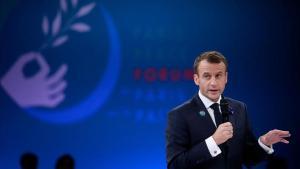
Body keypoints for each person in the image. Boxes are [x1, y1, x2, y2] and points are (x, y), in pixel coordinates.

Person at [165, 51, 290, 169]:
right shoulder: (179, 115)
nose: (213, 83)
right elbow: (175, 165)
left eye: (218, 75)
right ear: (196, 79)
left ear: (226, 78)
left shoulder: (239, 108)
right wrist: (213, 142)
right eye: (207, 76)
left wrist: (264, 142)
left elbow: (249, 159)